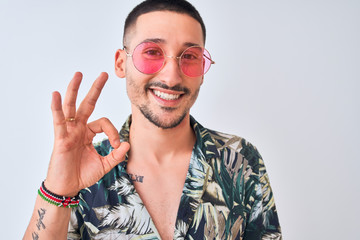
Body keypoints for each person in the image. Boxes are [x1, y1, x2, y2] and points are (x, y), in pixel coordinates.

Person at [24, 0, 282, 239]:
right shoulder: (85, 167)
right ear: (120, 63)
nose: (171, 77)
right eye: (152, 52)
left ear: (203, 71)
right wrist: (57, 190)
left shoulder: (240, 159)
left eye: (190, 56)